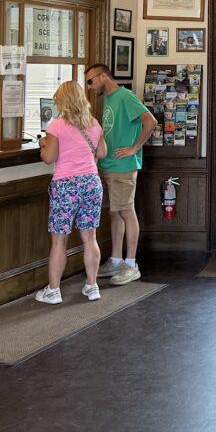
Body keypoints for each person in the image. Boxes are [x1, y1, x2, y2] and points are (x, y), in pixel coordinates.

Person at [34, 80, 107, 304]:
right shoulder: (93, 123)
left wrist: (43, 144)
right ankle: (92, 286)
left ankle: (54, 291)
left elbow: (49, 158)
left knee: (59, 241)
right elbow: (102, 152)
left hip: (66, 185)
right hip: (92, 183)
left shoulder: (56, 126)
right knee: (90, 237)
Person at [85, 63, 158, 285]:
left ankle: (131, 263)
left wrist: (134, 148)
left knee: (126, 211)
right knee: (115, 212)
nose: (89, 87)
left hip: (123, 165)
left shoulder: (125, 96)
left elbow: (150, 121)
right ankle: (116, 260)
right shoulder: (107, 99)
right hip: (108, 164)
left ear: (104, 76)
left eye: (91, 81)